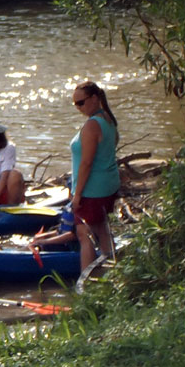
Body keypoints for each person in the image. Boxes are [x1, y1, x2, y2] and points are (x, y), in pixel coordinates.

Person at [69, 81, 119, 269]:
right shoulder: (108, 119)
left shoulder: (92, 125)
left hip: (93, 189)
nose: (78, 108)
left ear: (95, 98)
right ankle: (113, 268)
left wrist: (77, 195)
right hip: (108, 183)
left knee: (84, 234)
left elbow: (87, 162)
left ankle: (85, 280)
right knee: (102, 228)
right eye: (75, 104)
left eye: (81, 103)